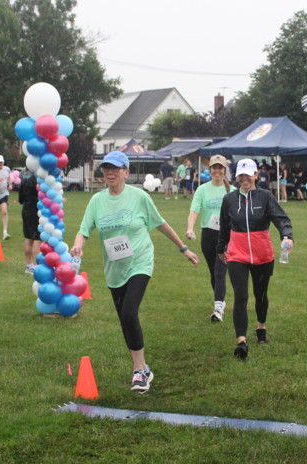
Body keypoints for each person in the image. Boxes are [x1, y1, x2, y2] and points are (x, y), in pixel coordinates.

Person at [70, 150, 199, 393]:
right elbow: (84, 230)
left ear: (126, 172)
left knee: (129, 312)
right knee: (124, 319)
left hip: (140, 261)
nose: (109, 172)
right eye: (106, 168)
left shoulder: (139, 197)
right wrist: (78, 246)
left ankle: (139, 370)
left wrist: (183, 248)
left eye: (115, 168)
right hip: (114, 268)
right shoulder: (96, 201)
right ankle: (143, 367)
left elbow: (161, 224)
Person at [218, 158, 293, 361]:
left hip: (262, 255)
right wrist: (220, 248)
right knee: (240, 296)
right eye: (241, 175)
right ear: (236, 177)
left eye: (248, 175)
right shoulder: (229, 199)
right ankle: (241, 342)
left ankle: (261, 327)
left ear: (256, 175)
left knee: (260, 294)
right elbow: (224, 226)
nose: (244, 179)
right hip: (237, 255)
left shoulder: (266, 197)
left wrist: (287, 236)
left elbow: (281, 219)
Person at [186, 154, 232, 323]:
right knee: (214, 271)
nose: (217, 171)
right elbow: (194, 210)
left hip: (226, 236)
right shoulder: (202, 189)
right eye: (214, 167)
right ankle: (220, 300)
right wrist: (190, 228)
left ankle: (218, 308)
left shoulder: (232, 190)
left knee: (220, 270)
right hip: (208, 235)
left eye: (220, 168)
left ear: (225, 170)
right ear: (210, 169)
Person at [17, 167, 41, 274]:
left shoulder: (24, 175)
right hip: (35, 209)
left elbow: (20, 198)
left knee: (28, 237)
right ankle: (36, 267)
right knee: (37, 238)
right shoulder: (37, 176)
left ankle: (28, 265)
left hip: (25, 208)